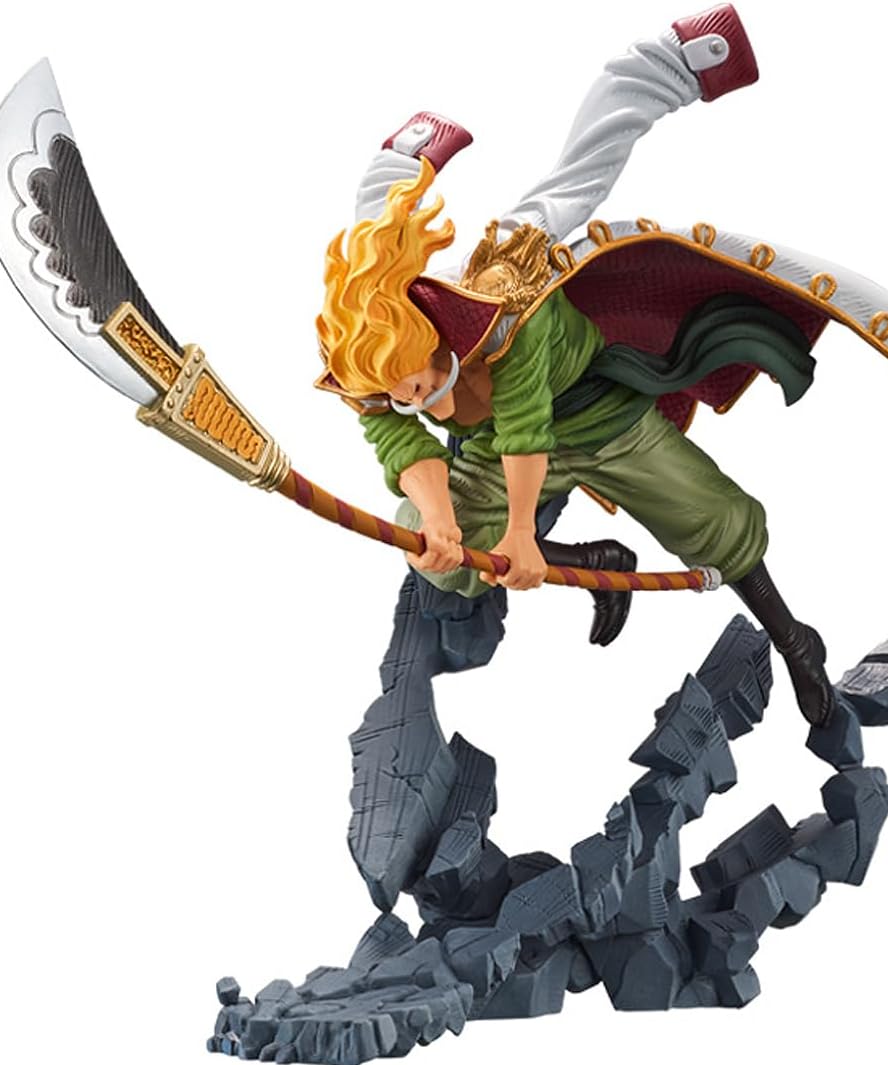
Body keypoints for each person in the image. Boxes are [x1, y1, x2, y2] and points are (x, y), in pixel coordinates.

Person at [314, 6, 836, 727]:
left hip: (602, 420)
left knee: (718, 523)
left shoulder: (504, 296)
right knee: (432, 545)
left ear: (435, 339)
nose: (421, 405)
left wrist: (523, 534)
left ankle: (792, 638)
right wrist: (438, 519)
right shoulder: (360, 352)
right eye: (402, 396)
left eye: (422, 386)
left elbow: (525, 422)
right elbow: (397, 438)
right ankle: (594, 559)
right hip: (492, 449)